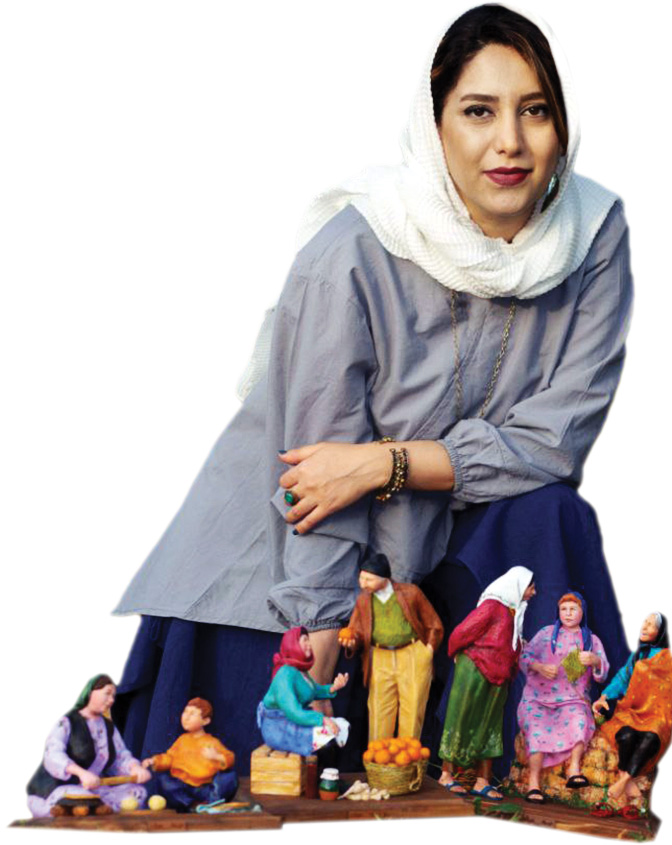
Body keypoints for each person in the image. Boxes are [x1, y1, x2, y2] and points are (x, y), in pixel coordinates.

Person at [112, 3, 632, 770]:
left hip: (447, 545)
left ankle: (563, 762)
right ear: (435, 122)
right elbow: (313, 481)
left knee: (552, 512)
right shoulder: (350, 255)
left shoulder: (589, 234)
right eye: (478, 111)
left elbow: (554, 442)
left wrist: (383, 463)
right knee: (253, 759)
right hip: (293, 556)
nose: (510, 142)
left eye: (535, 111)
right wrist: (321, 645)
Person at [438, 566, 534, 801]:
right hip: (475, 670)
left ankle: (482, 780)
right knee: (461, 718)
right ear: (519, 586)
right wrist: (457, 653)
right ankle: (446, 774)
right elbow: (462, 632)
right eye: (531, 587)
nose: (534, 592)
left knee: (490, 726)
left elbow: (509, 643)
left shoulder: (513, 612)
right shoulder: (493, 607)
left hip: (499, 677)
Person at [340, 550, 444, 742]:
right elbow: (356, 629)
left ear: (383, 577)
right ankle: (379, 755)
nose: (363, 584)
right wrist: (352, 640)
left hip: (411, 653)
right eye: (361, 578)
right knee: (379, 707)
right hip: (380, 655)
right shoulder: (364, 600)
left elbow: (433, 624)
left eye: (368, 579)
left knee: (413, 705)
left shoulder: (410, 593)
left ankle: (408, 755)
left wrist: (428, 651)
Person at [516, 590, 608, 803]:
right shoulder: (546, 634)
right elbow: (524, 656)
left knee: (579, 720)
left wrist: (595, 660)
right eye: (563, 609)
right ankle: (533, 782)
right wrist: (538, 666)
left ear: (582, 612)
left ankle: (573, 769)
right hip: (537, 698)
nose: (567, 613)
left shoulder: (590, 640)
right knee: (536, 730)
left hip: (572, 699)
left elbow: (602, 674)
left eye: (573, 609)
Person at [26, 674, 152, 818]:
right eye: (107, 694)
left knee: (137, 792)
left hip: (96, 787)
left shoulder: (108, 727)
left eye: (113, 696)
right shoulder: (68, 722)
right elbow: (53, 754)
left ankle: (96, 808)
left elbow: (120, 756)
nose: (111, 700)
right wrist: (81, 773)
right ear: (91, 692)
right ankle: (81, 807)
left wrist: (134, 768)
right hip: (62, 787)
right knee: (81, 797)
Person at [593, 612, 672, 803]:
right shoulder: (639, 655)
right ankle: (628, 782)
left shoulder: (669, 659)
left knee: (651, 737)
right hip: (632, 712)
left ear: (661, 632)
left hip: (657, 716)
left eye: (650, 624)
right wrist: (604, 697)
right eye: (644, 623)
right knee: (627, 736)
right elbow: (622, 678)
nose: (644, 627)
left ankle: (622, 781)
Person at [257, 627, 351, 757]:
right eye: (304, 640)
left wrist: (333, 687)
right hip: (279, 728)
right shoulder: (285, 674)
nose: (309, 644)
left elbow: (313, 691)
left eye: (308, 640)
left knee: (340, 725)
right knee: (327, 734)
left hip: (294, 721)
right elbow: (293, 712)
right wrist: (322, 719)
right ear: (293, 645)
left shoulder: (300, 672)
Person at [142, 698, 238, 811]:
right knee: (164, 781)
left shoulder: (212, 742)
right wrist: (155, 761)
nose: (186, 717)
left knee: (229, 777)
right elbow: (169, 758)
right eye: (185, 712)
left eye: (192, 714)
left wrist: (216, 757)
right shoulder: (182, 740)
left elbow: (229, 758)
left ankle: (212, 801)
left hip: (206, 787)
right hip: (183, 787)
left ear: (205, 721)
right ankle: (189, 804)